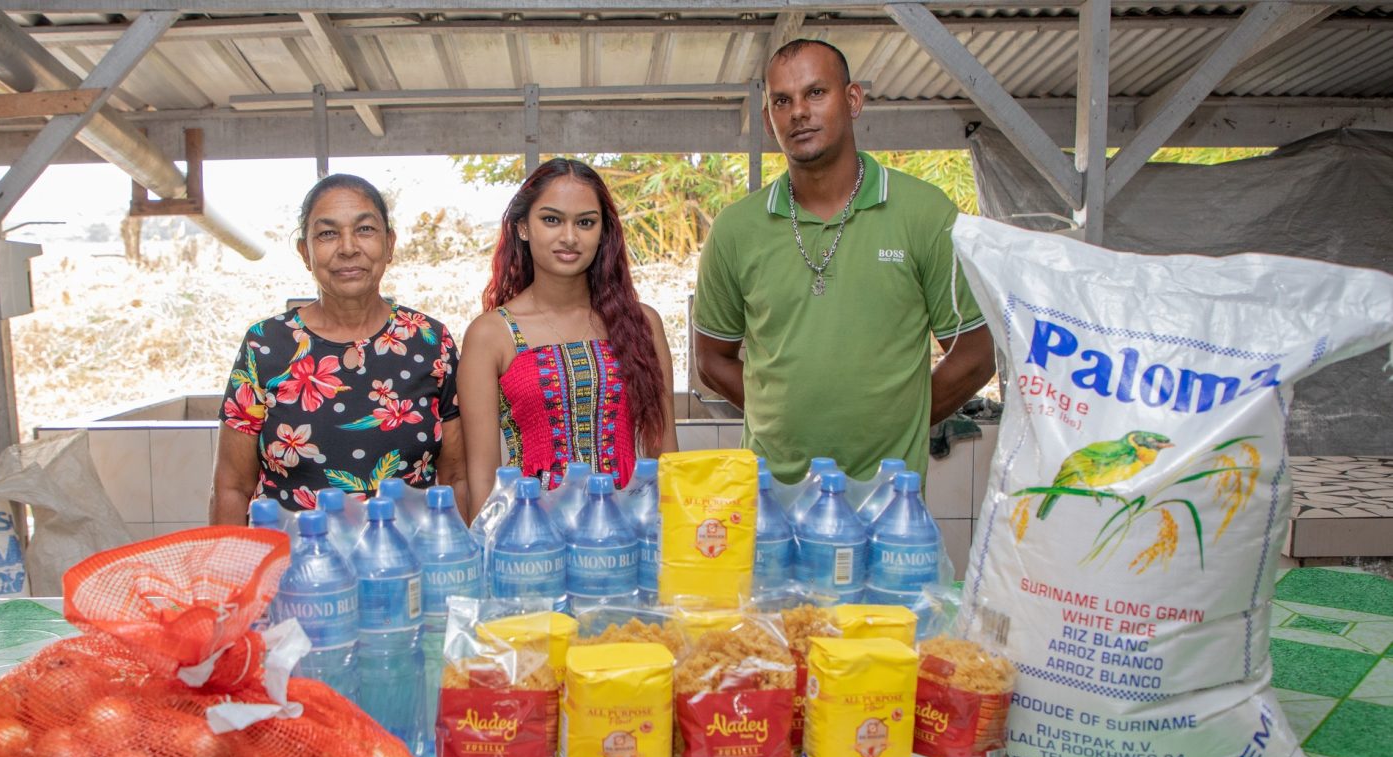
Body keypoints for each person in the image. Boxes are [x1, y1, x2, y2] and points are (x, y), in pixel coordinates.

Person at [693, 39, 995, 485]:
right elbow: (711, 360)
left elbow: (976, 353)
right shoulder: (736, 230)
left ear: (853, 100)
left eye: (816, 93)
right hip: (774, 501)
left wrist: (899, 421)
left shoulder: (923, 213)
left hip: (887, 503)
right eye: (782, 101)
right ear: (768, 119)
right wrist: (779, 417)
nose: (798, 112)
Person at [210, 173, 467, 525]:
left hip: (407, 569)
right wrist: (231, 574)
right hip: (290, 568)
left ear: (389, 244)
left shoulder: (430, 342)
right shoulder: (265, 345)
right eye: (328, 233)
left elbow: (457, 478)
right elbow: (232, 487)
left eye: (365, 229)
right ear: (305, 251)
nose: (348, 247)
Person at [458, 157, 678, 508]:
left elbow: (667, 461)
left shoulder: (642, 324)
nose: (570, 237)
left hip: (627, 536)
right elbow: (482, 479)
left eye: (586, 222)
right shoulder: (491, 334)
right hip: (531, 542)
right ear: (523, 227)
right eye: (551, 220)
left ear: (603, 231)